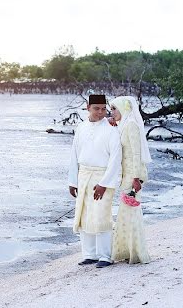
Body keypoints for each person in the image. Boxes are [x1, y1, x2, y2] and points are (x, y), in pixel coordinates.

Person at [68, 94, 122, 268]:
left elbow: (116, 159)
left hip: (103, 176)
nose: (100, 112)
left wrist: (104, 184)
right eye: (96, 108)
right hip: (83, 175)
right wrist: (72, 181)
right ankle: (89, 254)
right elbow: (74, 155)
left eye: (103, 108)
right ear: (87, 108)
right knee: (84, 215)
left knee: (101, 215)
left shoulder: (112, 128)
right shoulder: (81, 127)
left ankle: (105, 256)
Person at [108, 96, 152, 264]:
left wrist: (136, 178)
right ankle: (127, 251)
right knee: (125, 214)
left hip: (132, 176)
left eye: (114, 109)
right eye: (111, 109)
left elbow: (136, 153)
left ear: (123, 109)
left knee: (131, 213)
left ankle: (135, 252)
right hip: (125, 175)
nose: (112, 112)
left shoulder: (132, 125)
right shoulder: (123, 125)